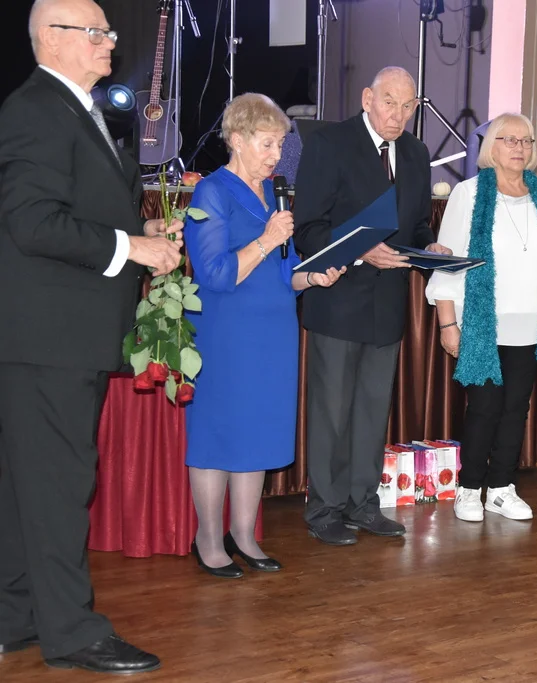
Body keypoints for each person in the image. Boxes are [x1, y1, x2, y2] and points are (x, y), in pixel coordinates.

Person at [0, 0, 184, 674]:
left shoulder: (74, 108)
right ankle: (73, 632)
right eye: (97, 32)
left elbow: (73, 208)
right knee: (57, 483)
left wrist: (143, 235)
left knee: (26, 487)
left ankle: (16, 615)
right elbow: (32, 222)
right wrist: (128, 246)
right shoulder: (35, 110)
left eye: (108, 30)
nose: (110, 42)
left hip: (47, 335)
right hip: (49, 335)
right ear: (52, 39)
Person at [183, 94, 342, 579]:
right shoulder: (211, 192)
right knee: (218, 434)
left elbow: (281, 271)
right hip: (226, 334)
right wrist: (267, 239)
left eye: (280, 144)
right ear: (236, 140)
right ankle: (208, 541)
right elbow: (213, 274)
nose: (276, 154)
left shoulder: (270, 194)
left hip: (273, 331)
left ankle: (245, 536)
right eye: (267, 143)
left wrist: (311, 277)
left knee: (256, 431)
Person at [293, 66, 451, 545]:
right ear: (367, 98)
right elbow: (309, 229)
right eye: (389, 103)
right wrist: (360, 249)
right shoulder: (329, 144)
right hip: (337, 300)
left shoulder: (418, 152)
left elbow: (416, 225)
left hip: (387, 304)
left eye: (408, 106)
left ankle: (363, 503)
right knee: (332, 411)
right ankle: (324, 508)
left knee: (370, 410)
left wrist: (432, 249)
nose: (398, 115)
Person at [426, 113, 537, 522]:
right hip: (482, 322)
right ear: (491, 147)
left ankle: (501, 488)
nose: (519, 148)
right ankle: (470, 488)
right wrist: (447, 321)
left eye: (526, 141)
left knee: (516, 408)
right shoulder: (469, 193)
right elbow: (450, 261)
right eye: (509, 140)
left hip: (532, 322)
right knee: (485, 408)